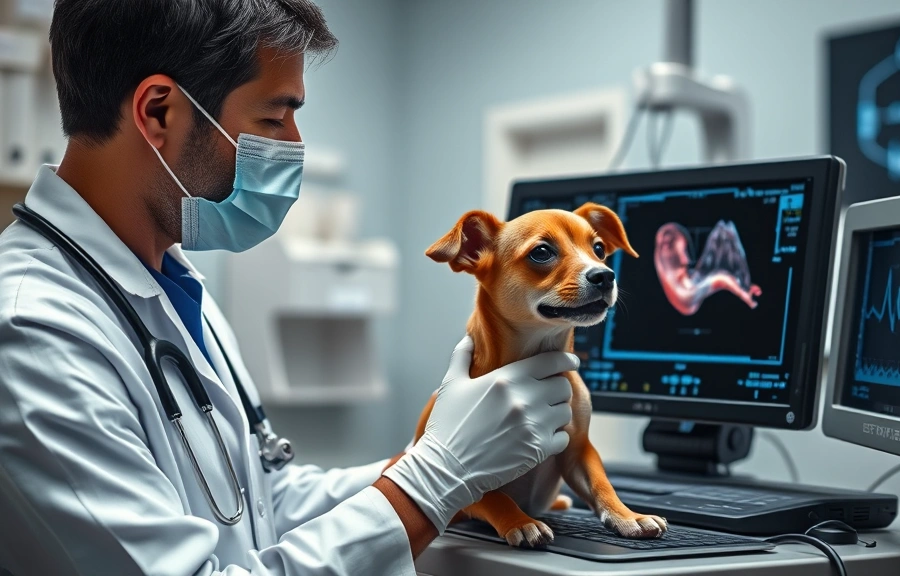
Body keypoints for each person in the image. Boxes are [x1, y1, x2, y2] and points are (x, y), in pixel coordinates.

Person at [0, 2, 575, 575]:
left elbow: (261, 502)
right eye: (275, 120)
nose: (295, 145)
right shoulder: (33, 331)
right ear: (159, 112)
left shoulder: (169, 287)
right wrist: (435, 480)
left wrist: (442, 463)